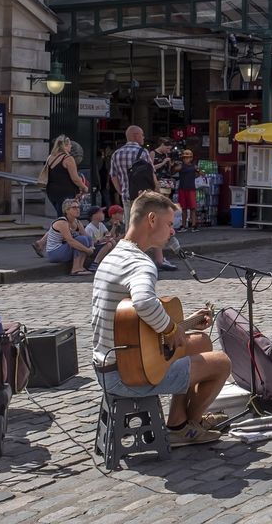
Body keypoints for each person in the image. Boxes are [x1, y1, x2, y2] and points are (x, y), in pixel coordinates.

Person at [91, 191, 231, 448]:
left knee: (200, 342)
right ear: (152, 220)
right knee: (222, 363)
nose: (172, 231)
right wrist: (170, 329)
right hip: (127, 375)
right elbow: (144, 303)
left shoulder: (115, 255)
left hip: (109, 365)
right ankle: (191, 426)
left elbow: (135, 323)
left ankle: (178, 424)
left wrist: (186, 324)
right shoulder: (140, 263)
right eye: (168, 224)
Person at [44, 199, 95, 276]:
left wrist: (92, 246)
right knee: (81, 240)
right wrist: (87, 250)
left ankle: (80, 267)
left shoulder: (77, 222)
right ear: (66, 210)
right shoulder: (62, 222)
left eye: (78, 207)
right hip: (54, 252)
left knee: (86, 239)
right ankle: (75, 269)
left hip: (65, 249)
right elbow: (70, 241)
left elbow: (87, 236)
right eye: (74, 207)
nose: (77, 209)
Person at [41, 134, 88, 217]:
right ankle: (61, 225)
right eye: (69, 144)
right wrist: (84, 187)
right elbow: (75, 178)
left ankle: (60, 224)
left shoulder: (50, 157)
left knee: (61, 215)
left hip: (51, 192)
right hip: (65, 192)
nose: (71, 146)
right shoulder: (68, 158)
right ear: (65, 146)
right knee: (66, 217)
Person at [175, 149, 203, 232]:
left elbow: (201, 174)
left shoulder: (194, 167)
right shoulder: (181, 166)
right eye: (184, 158)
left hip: (191, 189)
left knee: (193, 208)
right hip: (182, 189)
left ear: (191, 158)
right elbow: (175, 169)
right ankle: (183, 226)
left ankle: (194, 225)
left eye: (188, 157)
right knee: (183, 208)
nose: (186, 159)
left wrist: (198, 171)